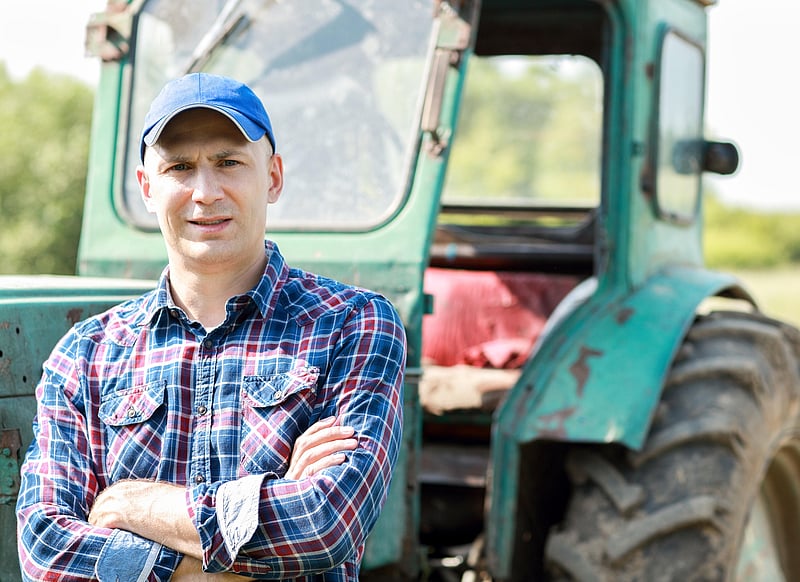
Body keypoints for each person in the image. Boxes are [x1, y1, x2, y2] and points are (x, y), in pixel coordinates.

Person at [16, 73, 406, 581]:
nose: (205, 192)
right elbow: (46, 550)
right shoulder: (86, 355)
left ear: (273, 177)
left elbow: (324, 522)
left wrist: (131, 506)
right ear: (147, 188)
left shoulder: (353, 325)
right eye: (180, 167)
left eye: (228, 162)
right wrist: (245, 537)